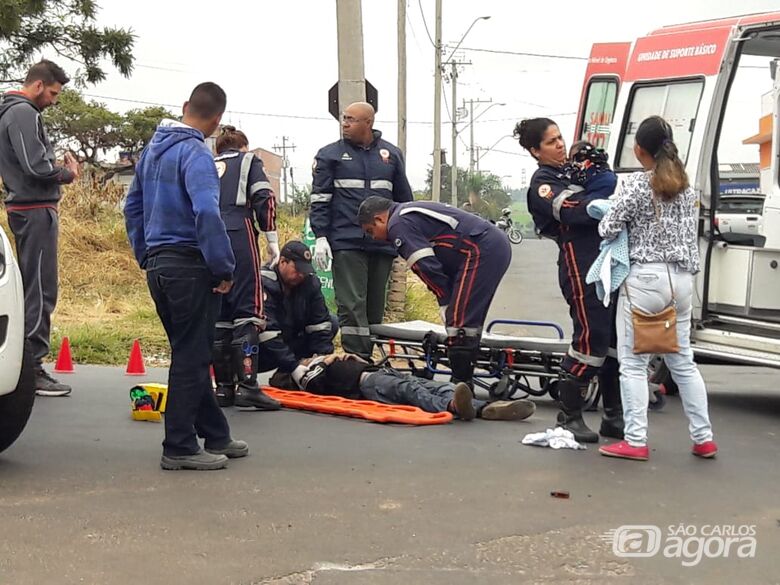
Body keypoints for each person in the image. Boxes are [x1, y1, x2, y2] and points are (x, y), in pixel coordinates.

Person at [124, 82, 247, 471]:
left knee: (189, 350)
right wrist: (223, 266)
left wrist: (146, 255)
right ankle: (179, 445)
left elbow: (132, 208)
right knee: (193, 357)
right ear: (217, 120)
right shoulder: (196, 154)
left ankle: (216, 433)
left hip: (160, 265)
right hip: (190, 266)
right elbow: (208, 214)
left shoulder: (152, 152)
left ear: (184, 106)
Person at [597, 116, 717, 461]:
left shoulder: (635, 185)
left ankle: (635, 441)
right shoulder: (686, 187)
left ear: (639, 150)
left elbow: (608, 227)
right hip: (681, 283)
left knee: (633, 364)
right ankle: (704, 439)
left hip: (645, 281)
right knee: (683, 362)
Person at [514, 118, 623, 443]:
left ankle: (614, 417)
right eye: (551, 142)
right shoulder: (543, 183)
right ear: (536, 151)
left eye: (560, 137)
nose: (560, 144)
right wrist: (601, 204)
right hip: (579, 260)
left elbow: (610, 186)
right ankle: (569, 416)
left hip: (607, 257)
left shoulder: (575, 171)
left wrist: (603, 175)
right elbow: (574, 211)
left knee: (615, 339)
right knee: (592, 337)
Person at [358, 196, 511, 388]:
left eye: (371, 231)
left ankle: (460, 386)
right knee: (463, 320)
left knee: (460, 324)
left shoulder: (398, 224)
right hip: (486, 246)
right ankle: (462, 382)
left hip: (480, 249)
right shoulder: (407, 212)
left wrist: (444, 299)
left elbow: (425, 266)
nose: (374, 238)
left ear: (380, 219)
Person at [0, 60, 80, 397]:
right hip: (33, 209)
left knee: (35, 285)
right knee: (40, 288)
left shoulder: (11, 112)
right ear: (37, 86)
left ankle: (27, 364)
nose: (53, 99)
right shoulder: (23, 113)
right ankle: (31, 368)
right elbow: (35, 165)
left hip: (28, 207)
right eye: (52, 92)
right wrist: (66, 173)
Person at [310, 101, 413, 359]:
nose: (345, 123)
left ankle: (371, 358)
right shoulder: (329, 155)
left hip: (382, 242)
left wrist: (407, 236)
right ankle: (356, 358)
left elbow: (404, 200)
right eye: (343, 118)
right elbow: (320, 199)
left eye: (351, 119)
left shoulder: (391, 155)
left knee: (374, 307)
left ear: (368, 123)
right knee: (352, 303)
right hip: (346, 241)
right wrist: (321, 235)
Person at [210, 125, 281, 411]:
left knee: (219, 312)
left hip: (207, 233)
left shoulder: (205, 163)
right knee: (247, 310)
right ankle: (249, 385)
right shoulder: (249, 161)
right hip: (239, 231)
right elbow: (264, 198)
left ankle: (224, 388)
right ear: (243, 146)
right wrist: (271, 237)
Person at [269, 353, 536, 422]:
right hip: (368, 384)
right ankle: (453, 406)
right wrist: (324, 360)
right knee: (411, 392)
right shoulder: (307, 376)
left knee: (429, 384)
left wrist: (354, 358)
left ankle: (483, 408)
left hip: (376, 373)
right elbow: (313, 380)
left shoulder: (322, 365)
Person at [256, 240, 339, 384]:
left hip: (292, 339)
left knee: (332, 322)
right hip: (265, 348)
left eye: (304, 271)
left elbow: (320, 323)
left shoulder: (310, 283)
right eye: (297, 270)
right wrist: (292, 366)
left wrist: (323, 359)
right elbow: (268, 332)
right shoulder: (263, 283)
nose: (301, 275)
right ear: (282, 262)